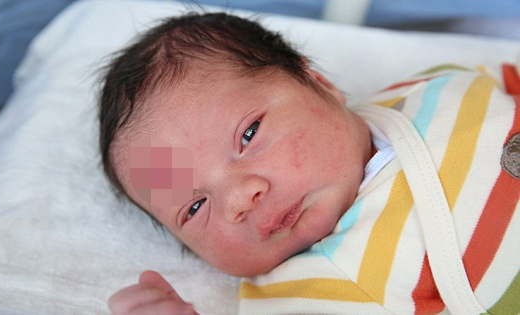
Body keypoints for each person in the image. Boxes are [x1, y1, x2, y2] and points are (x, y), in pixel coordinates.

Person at [98, 12, 520, 315]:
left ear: (320, 83)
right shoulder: (315, 287)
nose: (239, 199)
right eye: (194, 208)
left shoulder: (432, 86)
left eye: (248, 135)